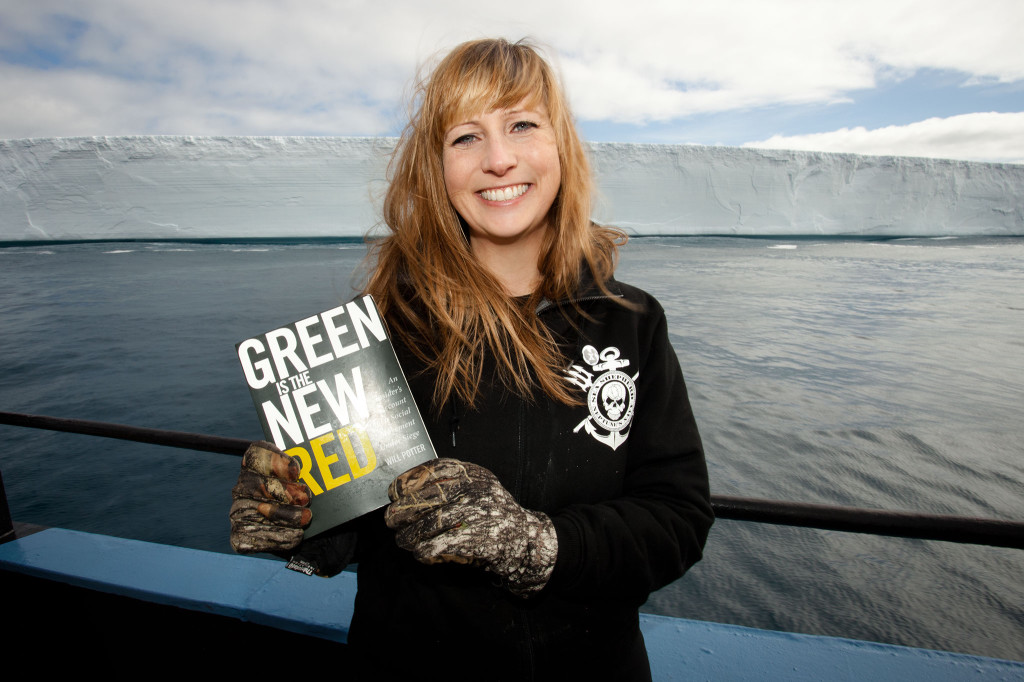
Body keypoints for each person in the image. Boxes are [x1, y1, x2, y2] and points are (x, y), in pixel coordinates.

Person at [230, 38, 713, 680]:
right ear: (438, 168)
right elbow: (350, 522)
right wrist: (290, 512)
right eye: (465, 137)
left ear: (560, 146)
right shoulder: (385, 326)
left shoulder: (631, 320)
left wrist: (538, 545)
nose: (499, 159)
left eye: (521, 124)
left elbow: (676, 518)